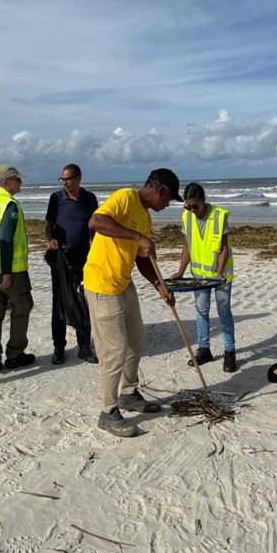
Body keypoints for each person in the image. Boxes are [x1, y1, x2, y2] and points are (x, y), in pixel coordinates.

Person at [84, 168, 182, 437]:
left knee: (136, 340)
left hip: (123, 282)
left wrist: (160, 285)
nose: (167, 204)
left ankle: (128, 392)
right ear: (160, 190)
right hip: (102, 284)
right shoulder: (125, 197)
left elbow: (141, 259)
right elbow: (96, 221)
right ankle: (108, 411)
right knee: (113, 351)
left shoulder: (146, 218)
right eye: (169, 198)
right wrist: (138, 237)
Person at [170, 182, 237, 372]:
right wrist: (181, 272)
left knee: (224, 312)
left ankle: (229, 353)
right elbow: (187, 246)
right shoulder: (186, 217)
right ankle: (204, 350)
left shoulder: (218, 216)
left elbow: (224, 247)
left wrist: (219, 271)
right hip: (199, 276)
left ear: (203, 201)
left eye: (195, 206)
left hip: (221, 275)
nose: (192, 210)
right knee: (201, 311)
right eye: (188, 206)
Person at [0, 164, 35, 377]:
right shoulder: (9, 204)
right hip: (9, 268)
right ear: (7, 181)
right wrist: (7, 272)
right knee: (22, 309)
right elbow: (5, 239)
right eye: (18, 179)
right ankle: (15, 355)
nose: (21, 183)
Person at [45, 164, 98, 365]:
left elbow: (94, 226)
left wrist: (95, 247)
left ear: (79, 178)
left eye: (68, 179)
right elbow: (48, 225)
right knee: (59, 302)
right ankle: (59, 348)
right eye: (62, 180)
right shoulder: (56, 198)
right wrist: (50, 240)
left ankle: (84, 346)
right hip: (60, 259)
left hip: (83, 258)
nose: (65, 183)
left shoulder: (90, 199)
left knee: (82, 301)